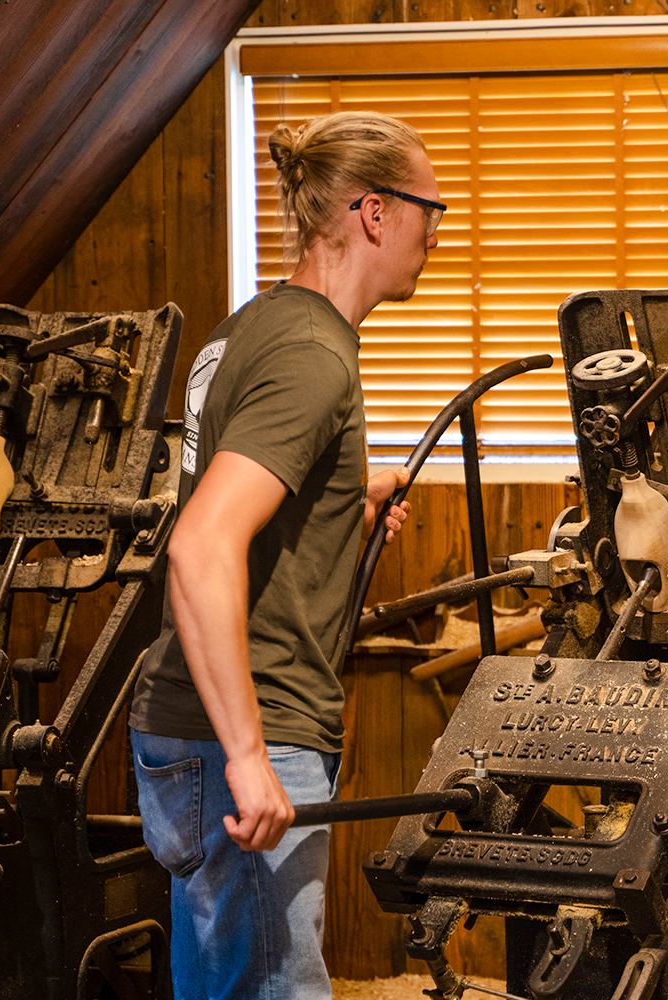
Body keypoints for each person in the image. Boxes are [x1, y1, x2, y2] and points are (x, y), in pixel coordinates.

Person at [127, 111, 444, 999]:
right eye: (431, 210)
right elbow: (201, 544)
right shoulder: (314, 356)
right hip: (243, 722)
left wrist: (348, 496)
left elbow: (245, 491)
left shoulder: (261, 326)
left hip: (197, 720)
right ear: (374, 214)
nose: (436, 230)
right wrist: (246, 754)